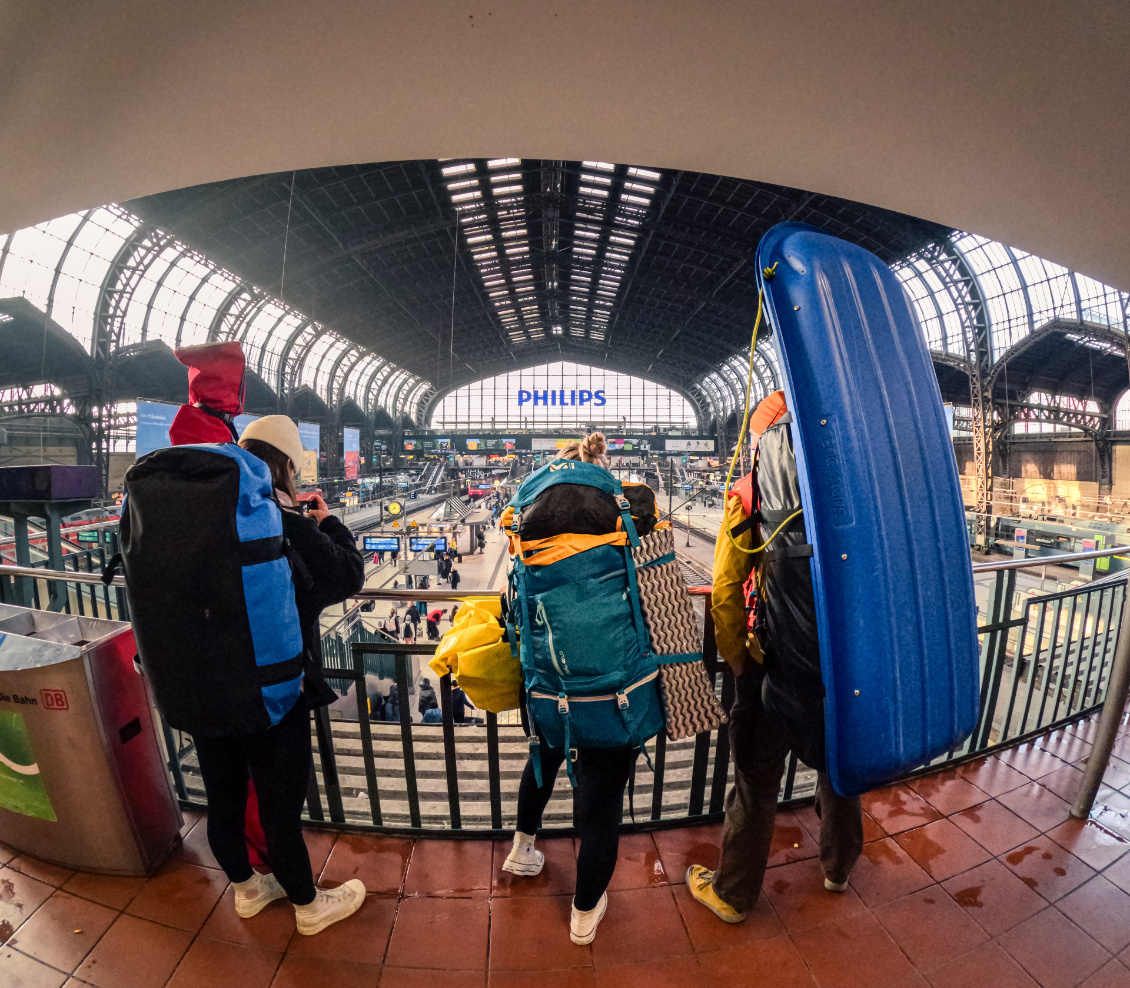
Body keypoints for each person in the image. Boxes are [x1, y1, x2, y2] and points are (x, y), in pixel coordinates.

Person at [687, 392, 864, 923]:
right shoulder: (849, 492)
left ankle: (734, 894)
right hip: (842, 661)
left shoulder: (747, 494)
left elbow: (723, 590)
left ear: (764, 442)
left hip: (772, 664)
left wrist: (741, 662)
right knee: (839, 764)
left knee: (756, 780)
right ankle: (838, 867)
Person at [191, 415, 367, 935]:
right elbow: (345, 577)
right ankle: (309, 907)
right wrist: (326, 523)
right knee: (278, 808)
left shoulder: (205, 518)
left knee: (221, 800)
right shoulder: (279, 519)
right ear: (287, 465)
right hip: (272, 687)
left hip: (204, 684)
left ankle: (247, 890)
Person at [501, 431, 645, 946]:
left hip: (547, 682)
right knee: (601, 803)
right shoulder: (628, 505)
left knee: (542, 759)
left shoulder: (526, 513)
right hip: (611, 692)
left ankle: (522, 850)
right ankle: (584, 913)